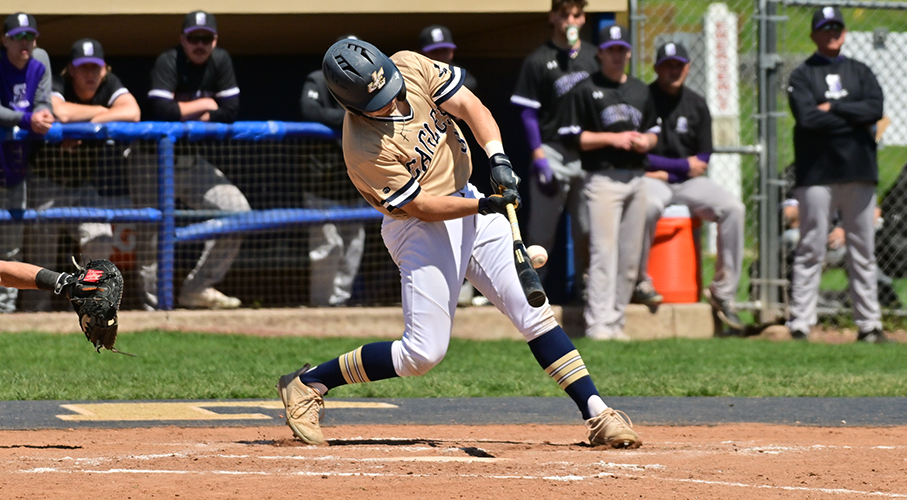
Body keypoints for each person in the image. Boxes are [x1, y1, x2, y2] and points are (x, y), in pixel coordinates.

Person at [277, 38, 640, 449]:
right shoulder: (363, 148)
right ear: (352, 106)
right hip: (419, 228)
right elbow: (422, 206)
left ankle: (598, 413)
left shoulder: (410, 66)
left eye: (391, 91)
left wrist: (497, 158)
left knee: (534, 314)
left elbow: (472, 108)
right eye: (379, 102)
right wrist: (484, 205)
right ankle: (309, 383)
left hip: (467, 199)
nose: (393, 104)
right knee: (422, 355)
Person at [785, 6, 888, 343]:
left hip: (858, 170)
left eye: (837, 28)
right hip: (817, 173)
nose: (832, 33)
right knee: (811, 247)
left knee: (862, 250)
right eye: (825, 28)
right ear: (814, 34)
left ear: (844, 32)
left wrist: (835, 108)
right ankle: (800, 324)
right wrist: (853, 119)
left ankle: (869, 325)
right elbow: (807, 118)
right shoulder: (802, 75)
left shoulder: (861, 72)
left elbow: (875, 110)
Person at [21, 38, 141, 311]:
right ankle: (31, 318)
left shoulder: (109, 82)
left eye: (95, 67)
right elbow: (58, 111)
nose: (90, 74)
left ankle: (89, 306)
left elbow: (133, 113)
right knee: (41, 260)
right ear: (70, 70)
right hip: (44, 184)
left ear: (104, 69)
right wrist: (102, 112)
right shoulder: (58, 83)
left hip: (81, 186)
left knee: (100, 241)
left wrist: (83, 127)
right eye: (83, 67)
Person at [143, 10, 251, 310]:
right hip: (150, 161)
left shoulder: (220, 60)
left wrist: (185, 110)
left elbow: (230, 111)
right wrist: (205, 104)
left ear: (214, 40)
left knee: (238, 213)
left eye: (205, 38)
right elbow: (160, 112)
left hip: (189, 160)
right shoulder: (169, 60)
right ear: (183, 39)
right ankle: (152, 310)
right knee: (151, 233)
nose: (199, 44)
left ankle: (196, 289)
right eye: (193, 38)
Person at [635, 42, 746, 332]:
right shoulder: (643, 99)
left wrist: (671, 170)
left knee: (733, 208)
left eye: (678, 65)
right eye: (667, 65)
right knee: (646, 205)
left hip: (684, 183)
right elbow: (640, 154)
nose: (673, 70)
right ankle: (640, 280)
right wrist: (682, 166)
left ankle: (723, 293)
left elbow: (705, 157)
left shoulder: (696, 103)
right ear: (657, 68)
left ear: (687, 68)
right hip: (652, 179)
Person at [558, 25, 659, 341]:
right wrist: (614, 139)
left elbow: (655, 130)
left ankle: (616, 322)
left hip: (636, 178)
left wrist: (646, 142)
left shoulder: (641, 90)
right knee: (603, 252)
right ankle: (598, 324)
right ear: (600, 53)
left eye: (622, 49)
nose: (617, 55)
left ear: (629, 52)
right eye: (611, 49)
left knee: (630, 256)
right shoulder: (586, 89)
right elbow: (573, 137)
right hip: (602, 179)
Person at [510, 0, 599, 298]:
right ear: (553, 17)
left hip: (588, 153)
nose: (570, 20)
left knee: (587, 230)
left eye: (576, 14)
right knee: (541, 232)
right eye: (564, 14)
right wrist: (538, 156)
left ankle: (587, 290)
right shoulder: (539, 59)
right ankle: (529, 294)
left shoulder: (593, 57)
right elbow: (527, 113)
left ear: (584, 18)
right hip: (553, 151)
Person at [418, 24, 483, 306]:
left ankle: (467, 292)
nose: (441, 57)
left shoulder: (463, 81)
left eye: (444, 50)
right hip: (427, 176)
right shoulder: (412, 85)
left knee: (467, 232)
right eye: (434, 53)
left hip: (458, 167)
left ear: (452, 51)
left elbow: (466, 97)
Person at [299, 37, 366, 306]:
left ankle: (339, 305)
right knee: (328, 247)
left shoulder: (368, 85)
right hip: (320, 185)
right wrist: (353, 117)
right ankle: (321, 306)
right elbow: (310, 111)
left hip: (354, 184)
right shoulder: (318, 79)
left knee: (353, 247)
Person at [0, 12, 54, 313]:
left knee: (10, 244)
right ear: (4, 39)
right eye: (18, 36)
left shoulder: (40, 59)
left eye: (29, 36)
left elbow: (43, 100)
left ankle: (4, 314)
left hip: (15, 165)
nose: (25, 42)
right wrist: (26, 118)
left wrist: (43, 113)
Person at [417, 24, 478, 92]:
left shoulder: (462, 76)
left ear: (452, 51)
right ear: (421, 54)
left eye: (444, 50)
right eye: (434, 51)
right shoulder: (414, 74)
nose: (440, 55)